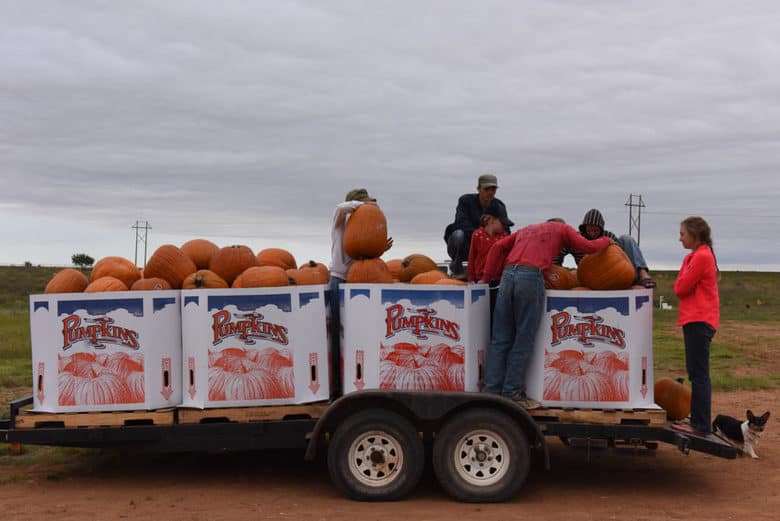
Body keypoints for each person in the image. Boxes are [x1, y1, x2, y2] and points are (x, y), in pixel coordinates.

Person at [479, 219, 612, 408]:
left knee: (500, 338)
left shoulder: (527, 228)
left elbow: (498, 247)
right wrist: (607, 241)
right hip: (530, 277)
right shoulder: (562, 228)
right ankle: (512, 392)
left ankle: (489, 393)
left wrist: (485, 278)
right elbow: (588, 246)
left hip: (507, 276)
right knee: (523, 337)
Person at [328, 188, 392, 398]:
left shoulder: (361, 227)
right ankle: (337, 383)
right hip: (339, 279)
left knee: (355, 333)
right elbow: (340, 207)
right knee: (338, 331)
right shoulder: (340, 221)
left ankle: (356, 377)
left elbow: (364, 249)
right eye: (363, 205)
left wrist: (380, 248)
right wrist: (363, 205)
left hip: (356, 281)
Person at [670, 216, 719, 436]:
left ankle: (700, 425)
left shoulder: (700, 257)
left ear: (694, 234)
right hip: (695, 319)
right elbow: (680, 285)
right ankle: (699, 421)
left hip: (700, 319)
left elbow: (680, 288)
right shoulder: (693, 257)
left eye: (682, 234)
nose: (680, 238)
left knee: (699, 374)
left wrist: (682, 275)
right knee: (696, 373)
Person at [553, 208, 655, 288]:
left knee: (626, 238)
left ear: (601, 229)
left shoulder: (608, 236)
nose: (592, 233)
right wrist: (556, 271)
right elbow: (561, 251)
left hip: (612, 277)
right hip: (586, 278)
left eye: (596, 230)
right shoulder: (577, 238)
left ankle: (642, 273)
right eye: (589, 230)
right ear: (584, 228)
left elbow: (617, 256)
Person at [444, 174, 513, 279]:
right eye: (486, 189)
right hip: (466, 243)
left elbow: (505, 228)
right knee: (458, 234)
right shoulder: (465, 200)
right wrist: (482, 235)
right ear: (478, 188)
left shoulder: (499, 205)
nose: (490, 192)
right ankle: (457, 267)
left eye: (493, 189)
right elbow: (461, 222)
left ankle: (494, 271)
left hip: (487, 247)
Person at [466, 205, 511, 283]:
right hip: (479, 279)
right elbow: (472, 257)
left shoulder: (505, 237)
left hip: (498, 279)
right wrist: (471, 279)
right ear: (490, 220)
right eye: (502, 223)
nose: (505, 226)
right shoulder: (477, 235)